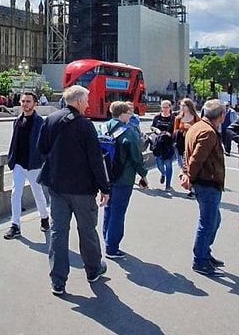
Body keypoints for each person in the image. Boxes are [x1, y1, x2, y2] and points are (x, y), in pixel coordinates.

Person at [37, 85, 110, 296]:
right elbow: (96, 161)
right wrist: (104, 188)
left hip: (57, 186)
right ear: (78, 101)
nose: (88, 104)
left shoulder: (50, 120)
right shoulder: (85, 126)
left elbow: (41, 150)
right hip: (82, 189)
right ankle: (93, 270)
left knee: (59, 232)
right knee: (86, 230)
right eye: (86, 100)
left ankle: (58, 280)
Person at [180, 98, 226, 276]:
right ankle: (200, 259)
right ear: (221, 116)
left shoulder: (197, 127)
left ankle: (204, 252)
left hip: (205, 181)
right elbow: (196, 158)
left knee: (214, 220)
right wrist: (189, 176)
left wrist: (186, 173)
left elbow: (187, 154)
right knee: (207, 223)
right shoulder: (208, 132)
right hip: (207, 182)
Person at [101, 102, 148, 259]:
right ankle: (112, 247)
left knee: (108, 208)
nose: (131, 115)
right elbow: (136, 156)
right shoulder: (127, 133)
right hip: (123, 177)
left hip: (106, 175)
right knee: (118, 212)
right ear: (122, 114)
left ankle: (106, 238)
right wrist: (143, 175)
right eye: (129, 112)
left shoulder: (103, 127)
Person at [3, 91, 50, 239]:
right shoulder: (17, 120)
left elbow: (45, 144)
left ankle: (44, 217)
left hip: (34, 164)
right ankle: (15, 225)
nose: (25, 104)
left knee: (38, 193)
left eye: (28, 101)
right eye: (23, 101)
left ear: (35, 104)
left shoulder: (40, 122)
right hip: (19, 163)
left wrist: (42, 160)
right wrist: (12, 158)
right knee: (15, 193)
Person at [173, 97, 200, 196]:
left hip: (191, 144)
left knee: (191, 165)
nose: (182, 107)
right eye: (181, 105)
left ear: (189, 106)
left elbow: (199, 131)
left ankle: (191, 187)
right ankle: (185, 177)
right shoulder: (178, 118)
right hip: (180, 144)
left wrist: (191, 128)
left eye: (184, 105)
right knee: (182, 164)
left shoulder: (196, 118)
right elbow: (175, 132)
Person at [150, 99, 175, 189]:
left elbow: (176, 130)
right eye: (163, 107)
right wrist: (156, 130)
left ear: (170, 107)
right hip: (158, 143)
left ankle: (168, 184)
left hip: (169, 144)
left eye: (166, 107)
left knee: (168, 164)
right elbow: (152, 127)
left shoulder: (173, 118)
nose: (164, 109)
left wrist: (170, 134)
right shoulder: (157, 117)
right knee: (159, 162)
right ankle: (163, 173)